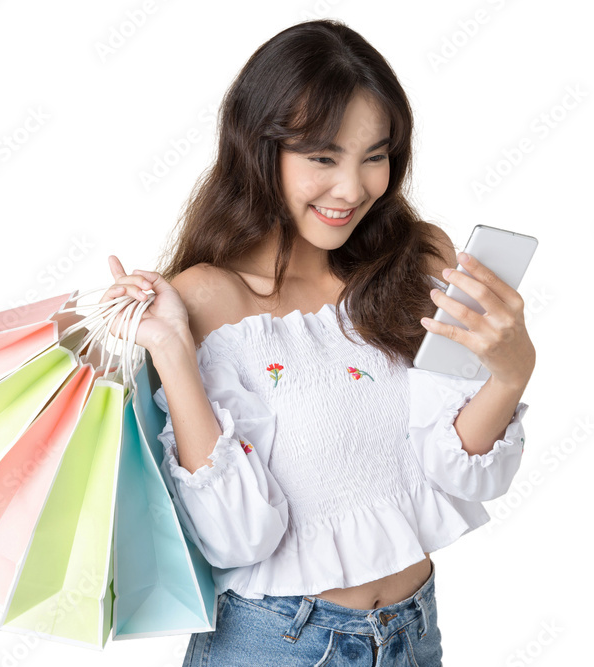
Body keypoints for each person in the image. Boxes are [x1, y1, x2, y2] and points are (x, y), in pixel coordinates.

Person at [99, 19, 534, 667]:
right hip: (275, 642)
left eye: (375, 155)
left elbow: (459, 469)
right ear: (259, 148)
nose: (353, 188)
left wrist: (510, 373)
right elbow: (237, 536)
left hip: (413, 637)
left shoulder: (418, 262)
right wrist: (170, 348)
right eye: (323, 157)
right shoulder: (208, 297)